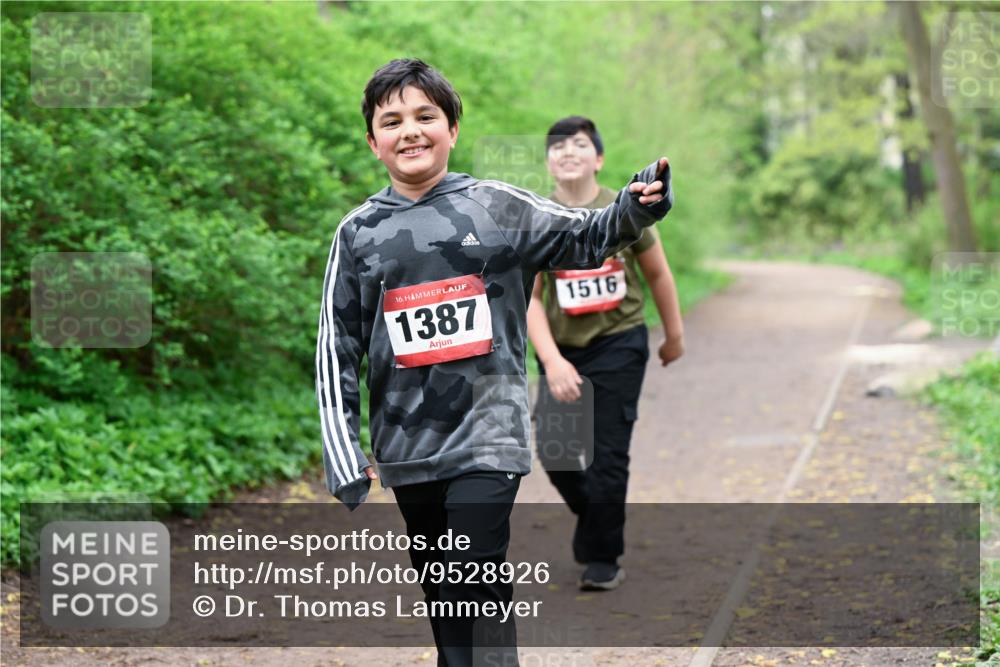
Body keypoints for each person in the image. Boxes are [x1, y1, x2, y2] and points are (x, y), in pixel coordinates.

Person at [316, 60, 672, 665]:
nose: (410, 131)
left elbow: (585, 235)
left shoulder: (498, 207)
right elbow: (336, 344)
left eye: (426, 116)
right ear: (373, 142)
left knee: (473, 566)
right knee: (444, 588)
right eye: (392, 120)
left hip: (489, 433)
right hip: (407, 445)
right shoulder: (358, 233)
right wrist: (343, 448)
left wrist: (636, 207)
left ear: (452, 129)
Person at [527, 116, 684, 592]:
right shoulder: (538, 217)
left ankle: (603, 557)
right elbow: (529, 297)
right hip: (562, 350)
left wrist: (673, 334)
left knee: (606, 455)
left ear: (597, 159)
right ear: (550, 163)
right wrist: (552, 362)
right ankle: (594, 519)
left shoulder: (626, 210)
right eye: (557, 146)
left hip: (620, 342)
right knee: (554, 451)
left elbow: (658, 274)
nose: (567, 152)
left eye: (578, 145)